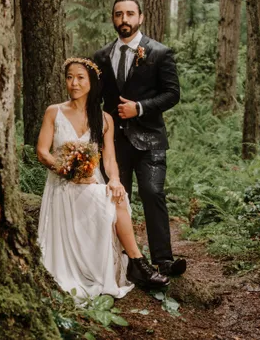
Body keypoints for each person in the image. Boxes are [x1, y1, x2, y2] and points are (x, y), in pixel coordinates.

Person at [37, 57, 169, 301]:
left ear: (92, 82)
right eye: (69, 77)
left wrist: (115, 180)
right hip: (63, 185)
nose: (73, 83)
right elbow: (43, 152)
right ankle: (138, 263)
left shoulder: (104, 118)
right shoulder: (54, 112)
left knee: (115, 194)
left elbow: (109, 160)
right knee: (113, 201)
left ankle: (136, 263)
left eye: (80, 77)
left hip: (92, 182)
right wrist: (70, 172)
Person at [94, 0, 187, 277]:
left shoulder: (159, 53)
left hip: (150, 139)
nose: (125, 19)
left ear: (141, 17)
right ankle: (123, 258)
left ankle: (164, 260)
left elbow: (173, 94)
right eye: (119, 14)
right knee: (117, 198)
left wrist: (140, 108)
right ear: (113, 18)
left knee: (152, 192)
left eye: (130, 14)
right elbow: (95, 99)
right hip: (113, 143)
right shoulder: (99, 57)